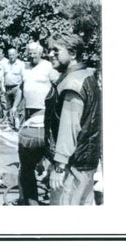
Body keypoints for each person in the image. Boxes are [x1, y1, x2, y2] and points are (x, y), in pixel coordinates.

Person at [44, 33, 102, 206]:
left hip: (72, 166)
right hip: (85, 161)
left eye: (56, 50)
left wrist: (59, 167)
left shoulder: (72, 83)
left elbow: (69, 128)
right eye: (49, 50)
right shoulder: (86, 76)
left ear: (73, 53)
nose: (50, 54)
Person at [15, 42, 59, 205]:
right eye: (29, 52)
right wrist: (14, 106)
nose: (31, 55)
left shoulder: (48, 67)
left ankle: (54, 197)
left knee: (49, 158)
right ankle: (30, 201)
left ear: (41, 53)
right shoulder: (25, 67)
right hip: (29, 113)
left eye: (34, 53)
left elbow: (58, 85)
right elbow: (21, 87)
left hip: (45, 114)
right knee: (27, 164)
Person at [3, 47, 26, 129]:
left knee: (18, 107)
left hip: (17, 88)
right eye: (9, 55)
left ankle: (19, 126)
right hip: (7, 88)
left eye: (13, 55)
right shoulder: (6, 64)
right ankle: (9, 125)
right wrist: (2, 86)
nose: (11, 56)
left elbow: (24, 77)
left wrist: (21, 88)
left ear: (17, 55)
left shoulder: (21, 64)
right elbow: (3, 76)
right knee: (8, 107)